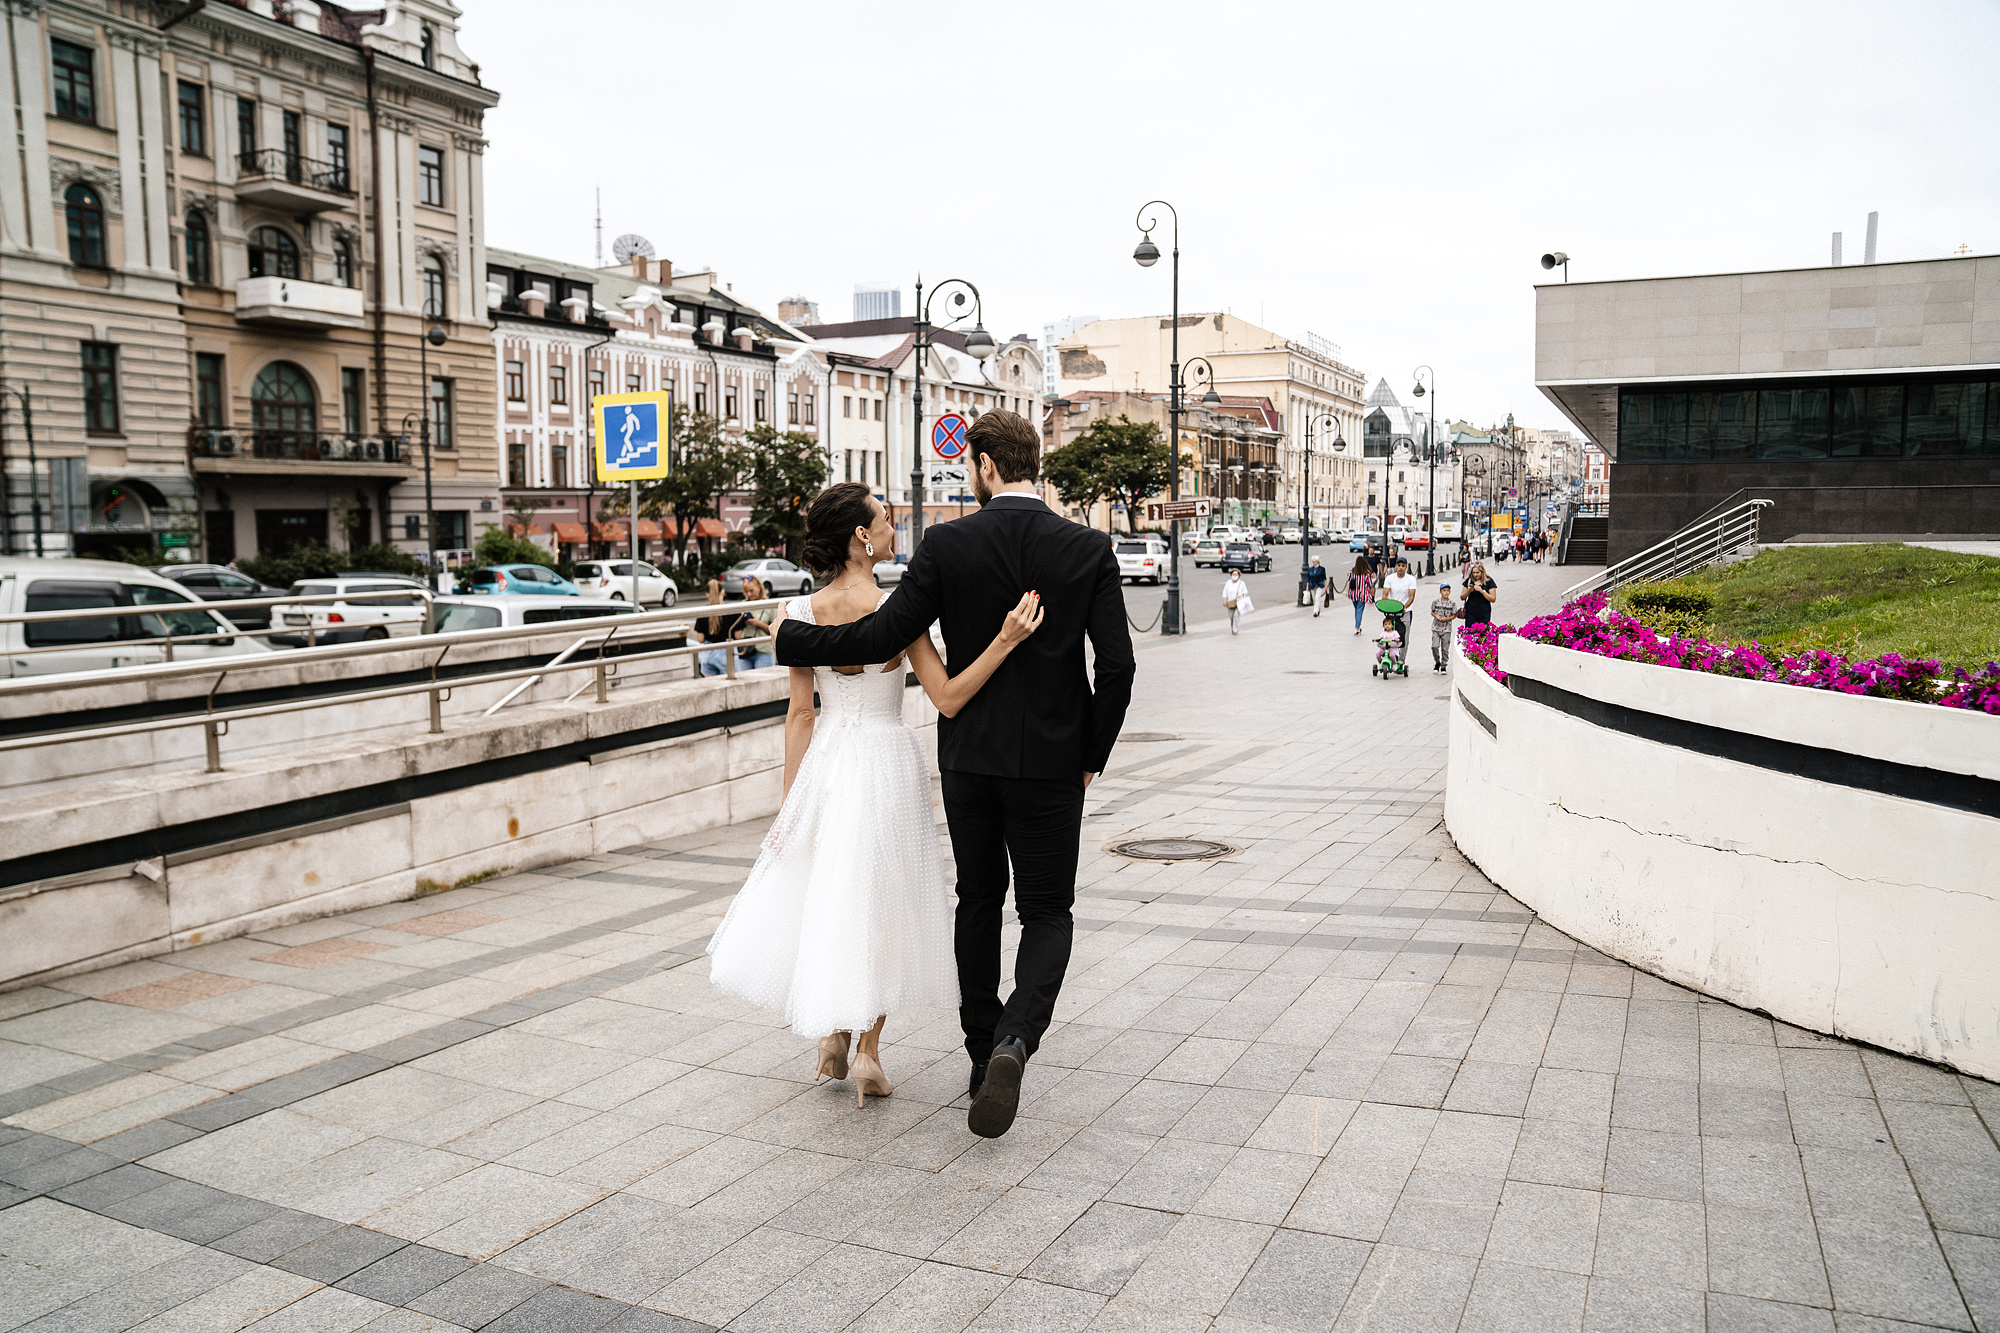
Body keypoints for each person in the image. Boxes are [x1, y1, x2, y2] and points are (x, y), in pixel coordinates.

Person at [770, 410, 1134, 1139]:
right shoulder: (1087, 548)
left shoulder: (949, 543)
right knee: (1047, 911)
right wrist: (1091, 755)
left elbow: (879, 635)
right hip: (1055, 765)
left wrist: (788, 634)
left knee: (978, 902)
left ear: (985, 466)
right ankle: (1014, 1040)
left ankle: (977, 1057)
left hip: (969, 760)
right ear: (1031, 463)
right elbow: (1118, 667)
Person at [708, 483, 1047, 1109]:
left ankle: (833, 1036)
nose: (894, 527)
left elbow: (800, 715)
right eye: (886, 520)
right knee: (884, 898)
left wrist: (792, 803)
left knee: (832, 890)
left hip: (829, 763)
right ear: (863, 538)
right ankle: (867, 1048)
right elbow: (946, 697)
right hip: (887, 760)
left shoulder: (801, 614)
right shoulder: (898, 610)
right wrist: (1003, 642)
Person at [695, 578, 737, 676]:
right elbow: (738, 636)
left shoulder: (703, 612)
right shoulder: (732, 611)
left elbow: (700, 639)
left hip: (708, 653)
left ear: (707, 594)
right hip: (727, 651)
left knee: (711, 687)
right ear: (723, 591)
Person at [736, 575, 777, 669]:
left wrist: (758, 623)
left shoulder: (769, 605)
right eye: (746, 592)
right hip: (745, 650)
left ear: (759, 588)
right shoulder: (743, 605)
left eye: (751, 591)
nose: (749, 594)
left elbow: (775, 630)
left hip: (763, 651)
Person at [1382, 557, 1419, 654]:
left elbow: (1411, 597)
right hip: (1392, 612)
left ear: (1406, 567)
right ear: (1395, 567)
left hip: (1405, 611)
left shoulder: (1411, 579)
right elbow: (1385, 594)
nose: (1401, 568)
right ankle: (1390, 655)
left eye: (1403, 566)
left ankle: (1401, 660)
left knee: (1404, 637)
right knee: (1389, 634)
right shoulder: (1390, 578)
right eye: (1399, 566)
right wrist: (1387, 606)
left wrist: (1404, 607)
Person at [1429, 583, 1460, 673]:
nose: (1446, 593)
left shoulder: (1452, 603)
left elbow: (1454, 615)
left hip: (1446, 628)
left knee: (1445, 648)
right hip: (1436, 627)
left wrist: (1446, 618)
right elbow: (1432, 612)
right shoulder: (1436, 602)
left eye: (1447, 591)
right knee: (1434, 646)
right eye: (1444, 591)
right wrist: (1436, 616)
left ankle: (1444, 665)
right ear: (1440, 592)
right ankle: (1437, 662)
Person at [1462, 561, 1499, 626]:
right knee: (1470, 632)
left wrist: (1482, 591)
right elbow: (1462, 597)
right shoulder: (1469, 580)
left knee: (1483, 632)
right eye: (1473, 573)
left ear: (1482, 572)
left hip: (1484, 612)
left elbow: (1493, 599)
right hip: (1471, 611)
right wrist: (1469, 591)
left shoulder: (1489, 581)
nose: (1475, 575)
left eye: (1477, 572)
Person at [1344, 556, 1374, 635]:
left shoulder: (1352, 571)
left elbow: (1349, 582)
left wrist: (1348, 592)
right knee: (1359, 610)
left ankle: (1358, 626)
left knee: (1357, 610)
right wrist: (1375, 579)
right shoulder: (1367, 572)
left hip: (1353, 594)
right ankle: (1357, 627)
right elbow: (1370, 583)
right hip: (1362, 594)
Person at [1222, 568, 1248, 636]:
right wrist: (1224, 600)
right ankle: (1232, 627)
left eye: (1236, 574)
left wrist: (1242, 594)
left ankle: (1235, 630)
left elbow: (1245, 591)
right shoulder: (1228, 583)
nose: (1235, 575)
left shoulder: (1241, 583)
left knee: (1236, 616)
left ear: (1239, 575)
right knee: (1231, 616)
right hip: (1230, 602)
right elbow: (1225, 592)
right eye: (1233, 574)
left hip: (1239, 602)